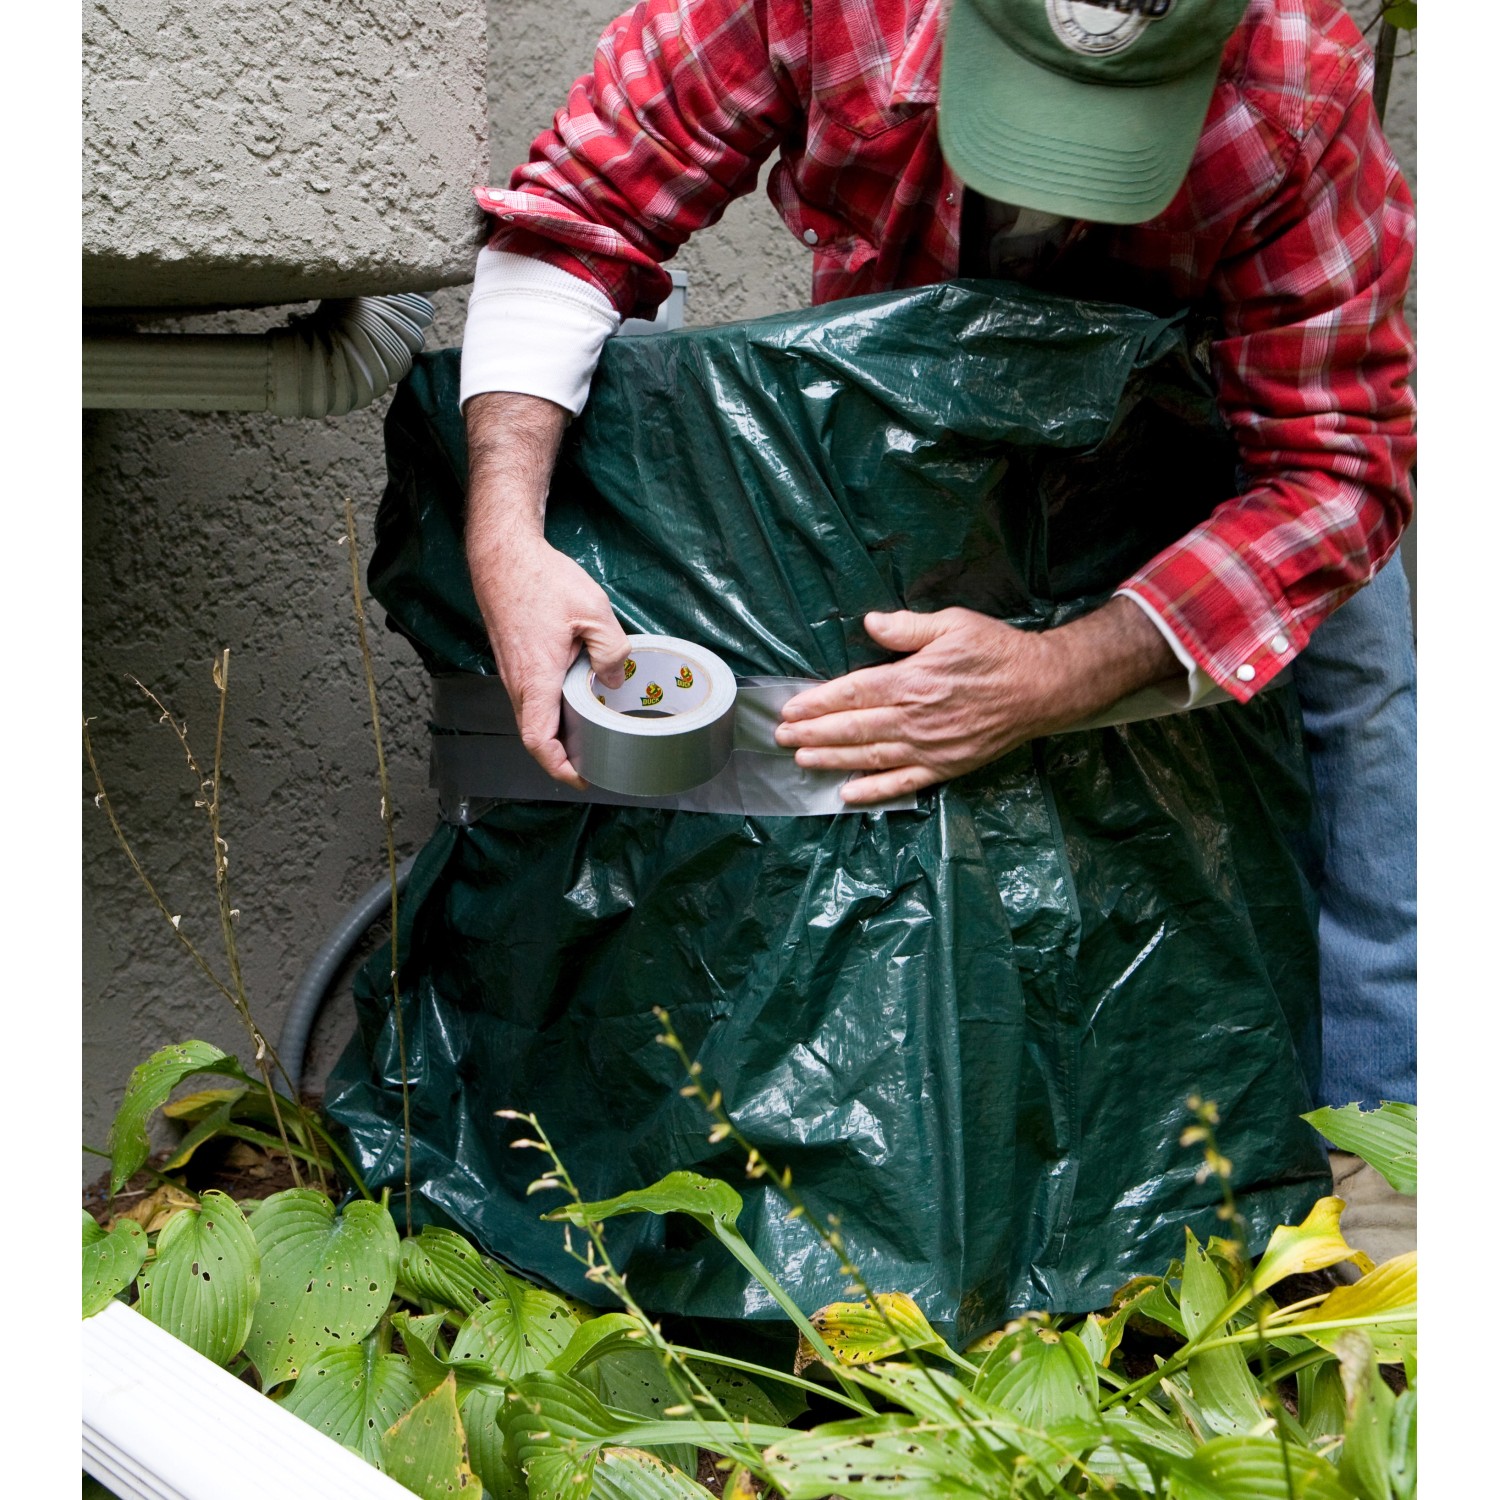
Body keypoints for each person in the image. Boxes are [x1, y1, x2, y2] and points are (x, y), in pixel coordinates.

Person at [457, 0, 1415, 1260]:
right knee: (887, 761)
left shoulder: (1296, 72)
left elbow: (1336, 470)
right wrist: (507, 534)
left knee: (1357, 697)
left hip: (1203, 435)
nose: (1063, 193)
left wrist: (1056, 674)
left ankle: (1378, 1173)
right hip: (914, 430)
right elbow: (583, 209)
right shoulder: (819, 8)